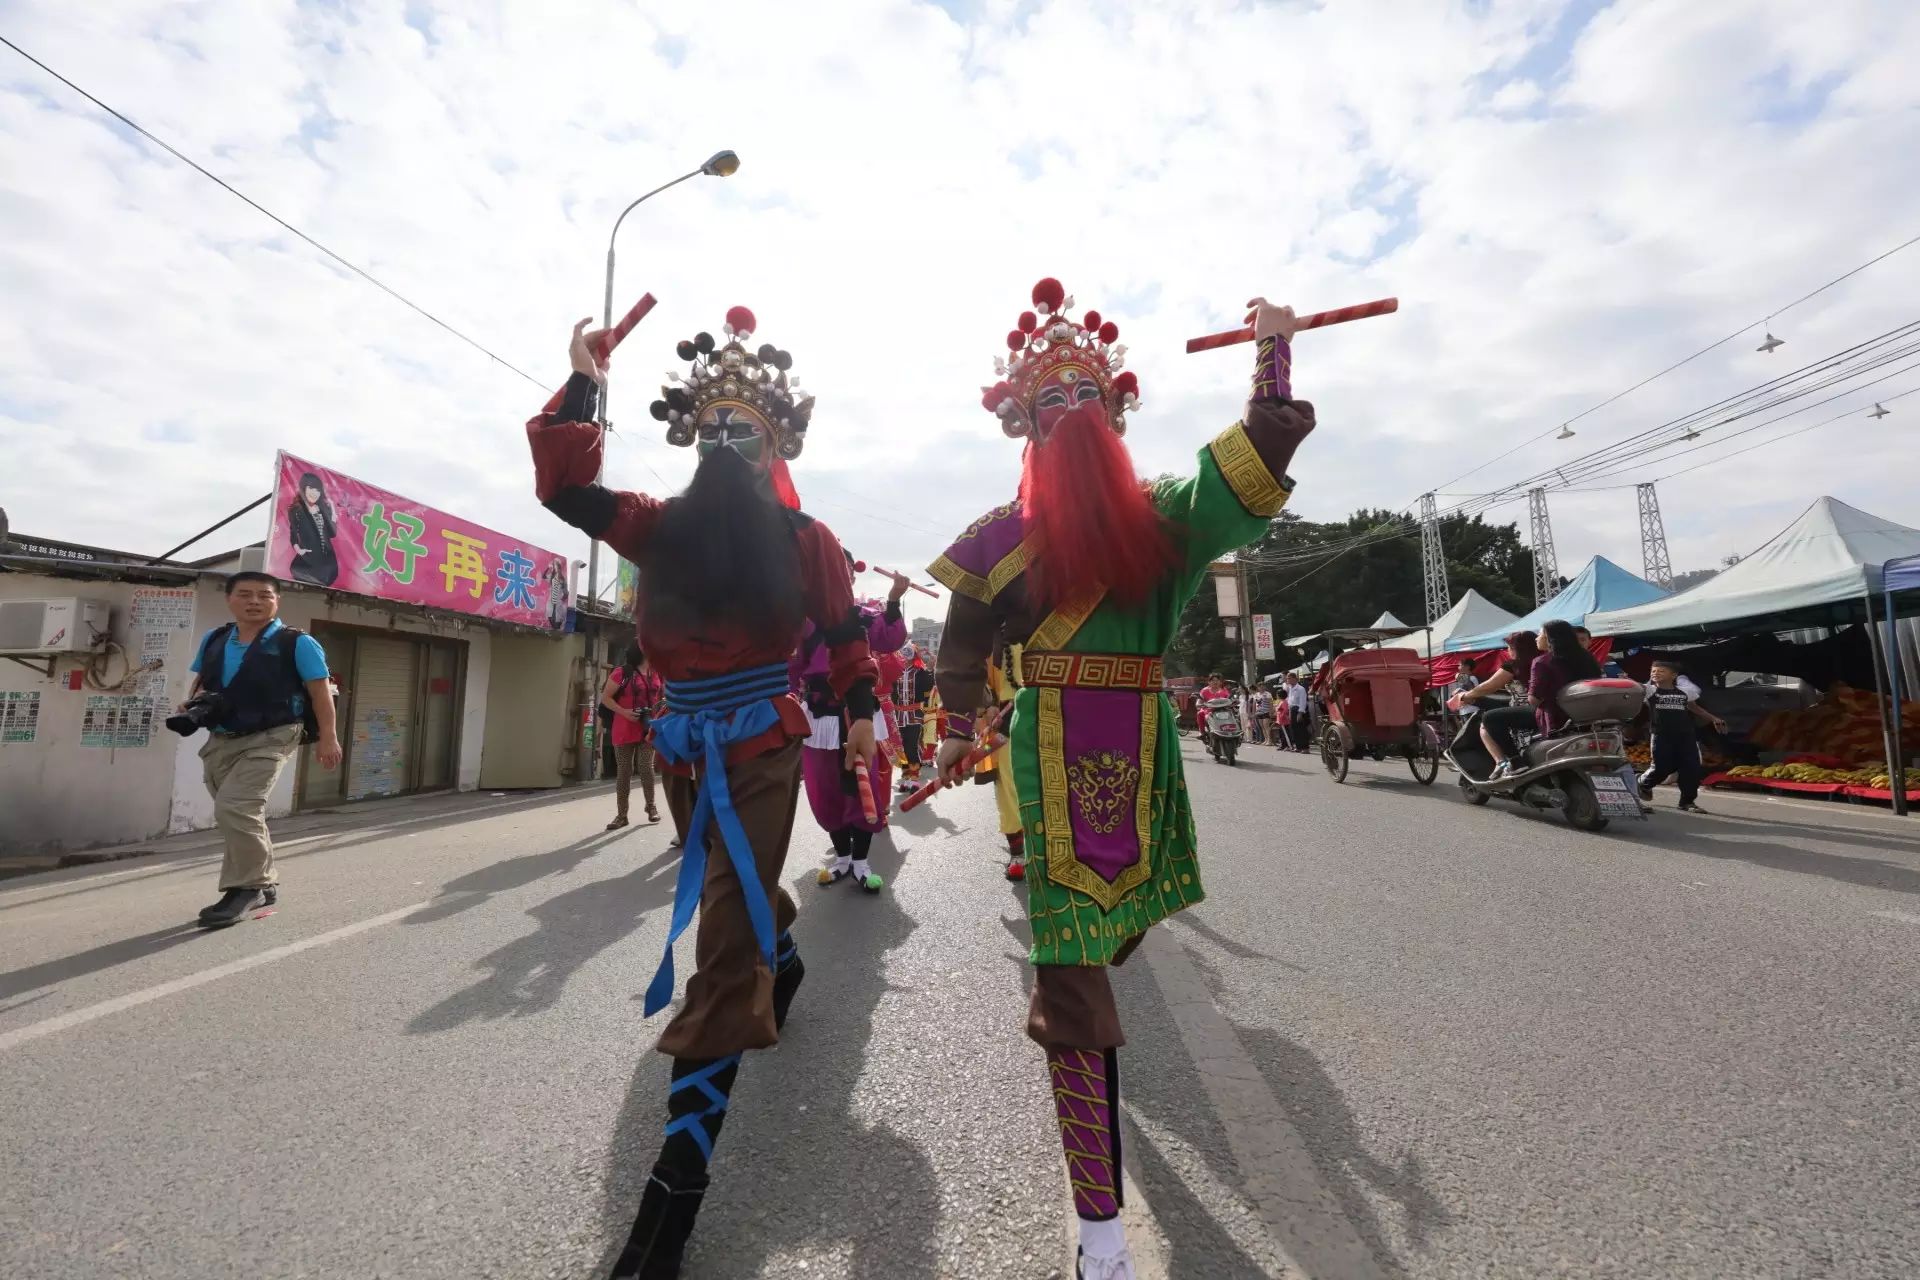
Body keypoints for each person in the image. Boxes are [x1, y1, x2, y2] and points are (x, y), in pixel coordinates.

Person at [932, 283, 1321, 1279]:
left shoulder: (1164, 520)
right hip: (1044, 761)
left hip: (1141, 763)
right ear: (1024, 423)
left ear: (1112, 417)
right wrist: (954, 724)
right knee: (1073, 985)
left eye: (1087, 398)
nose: (1072, 415)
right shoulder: (991, 537)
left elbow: (1247, 462)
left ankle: (1101, 1177)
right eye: (1051, 400)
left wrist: (1272, 355)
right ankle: (1099, 1231)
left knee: (1110, 941)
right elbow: (963, 643)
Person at [528, 308, 879, 1277]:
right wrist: (585, 380)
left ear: (776, 444)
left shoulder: (807, 536)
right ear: (694, 438)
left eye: (748, 429)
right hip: (683, 743)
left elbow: (847, 634)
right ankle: (784, 940)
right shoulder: (658, 523)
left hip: (763, 741)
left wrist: (856, 712)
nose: (729, 441)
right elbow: (565, 485)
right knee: (739, 891)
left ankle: (672, 1195)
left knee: (720, 940)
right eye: (714, 426)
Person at [181, 571, 342, 927]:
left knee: (236, 806)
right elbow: (204, 679)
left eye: (264, 595)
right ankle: (263, 882)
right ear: (230, 599)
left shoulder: (296, 643)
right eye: (245, 594)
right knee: (240, 812)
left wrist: (328, 738)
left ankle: (247, 888)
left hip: (274, 733)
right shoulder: (216, 638)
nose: (254, 601)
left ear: (276, 601)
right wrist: (192, 703)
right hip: (223, 735)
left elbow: (320, 692)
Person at [798, 555, 908, 892]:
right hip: (818, 716)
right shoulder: (802, 619)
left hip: (858, 712)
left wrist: (893, 600)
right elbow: (789, 666)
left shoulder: (861, 615)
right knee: (823, 789)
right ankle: (843, 858)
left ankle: (861, 860)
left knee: (864, 789)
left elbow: (890, 639)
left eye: (843, 571)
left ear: (851, 578)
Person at [1639, 658, 1725, 812]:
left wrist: (1714, 719)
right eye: (1653, 671)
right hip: (1661, 736)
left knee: (1691, 768)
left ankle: (1687, 802)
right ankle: (1642, 784)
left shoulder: (1685, 692)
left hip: (1686, 736)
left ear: (1674, 675)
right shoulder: (1649, 691)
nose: (1656, 673)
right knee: (1662, 768)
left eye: (1661, 671)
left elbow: (1695, 708)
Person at [1457, 630, 1541, 777]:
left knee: (1487, 720)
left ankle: (1510, 762)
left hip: (1524, 709)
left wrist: (1465, 696)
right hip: (1541, 707)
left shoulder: (1513, 665)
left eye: (1509, 647)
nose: (1507, 650)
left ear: (1516, 648)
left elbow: (1489, 686)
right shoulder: (1544, 660)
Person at [600, 643, 663, 829]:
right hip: (624, 727)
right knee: (624, 771)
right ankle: (621, 815)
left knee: (646, 767)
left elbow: (664, 697)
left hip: (648, 728)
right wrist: (624, 711)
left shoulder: (657, 673)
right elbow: (606, 698)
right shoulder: (622, 673)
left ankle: (651, 808)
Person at [1529, 619, 1604, 739]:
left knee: (1492, 718)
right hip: (1587, 717)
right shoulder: (1588, 657)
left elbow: (1534, 699)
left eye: (1540, 634)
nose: (1536, 638)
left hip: (1557, 721)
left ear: (1549, 638)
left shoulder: (1541, 662)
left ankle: (1508, 758)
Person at [286, 472, 341, 587]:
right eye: (311, 488)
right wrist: (299, 550)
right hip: (308, 559)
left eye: (317, 490)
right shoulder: (297, 510)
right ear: (303, 488)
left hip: (327, 560)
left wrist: (332, 510)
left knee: (324, 585)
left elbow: (332, 533)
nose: (314, 493)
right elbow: (294, 534)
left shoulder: (323, 509)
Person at [1283, 671, 1311, 751]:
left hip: (1299, 710)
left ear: (1294, 679)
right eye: (1287, 678)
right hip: (1292, 709)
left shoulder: (1300, 689)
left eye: (1289, 678)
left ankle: (1305, 748)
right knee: (1294, 729)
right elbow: (1290, 701)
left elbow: (1303, 701)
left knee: (1301, 729)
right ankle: (1299, 746)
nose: (1287, 680)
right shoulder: (1290, 688)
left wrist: (1300, 713)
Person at [1249, 682, 1275, 746]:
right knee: (1262, 727)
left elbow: (1271, 703)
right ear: (1258, 687)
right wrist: (1253, 713)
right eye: (1260, 686)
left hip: (1266, 712)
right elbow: (1255, 704)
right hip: (1259, 712)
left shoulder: (1268, 694)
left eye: (1263, 686)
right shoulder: (1256, 695)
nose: (1261, 687)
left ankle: (1269, 740)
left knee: (1266, 726)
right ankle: (1266, 739)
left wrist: (1271, 712)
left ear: (1265, 687)